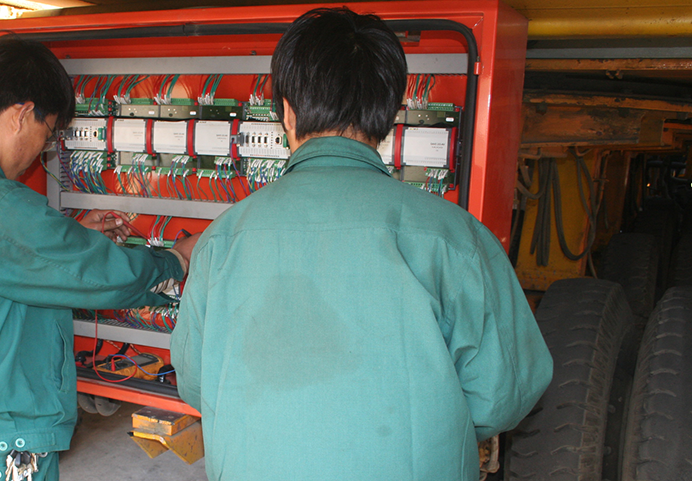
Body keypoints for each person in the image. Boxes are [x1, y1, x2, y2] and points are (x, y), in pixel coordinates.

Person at [170, 8, 552, 480]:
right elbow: (505, 394)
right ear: (389, 114)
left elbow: (195, 382)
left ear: (286, 111)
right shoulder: (455, 238)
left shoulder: (221, 241)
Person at [0, 35, 198, 481]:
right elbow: (97, 275)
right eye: (47, 134)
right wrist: (176, 260)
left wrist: (66, 236)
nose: (42, 150)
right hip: (0, 443)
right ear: (21, 114)